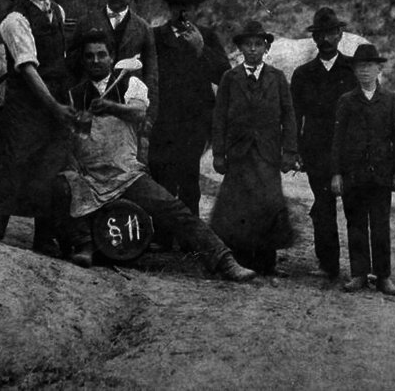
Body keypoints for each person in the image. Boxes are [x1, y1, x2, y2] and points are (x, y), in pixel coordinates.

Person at [51, 29, 255, 282]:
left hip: (125, 174)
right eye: (89, 56)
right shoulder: (72, 94)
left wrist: (112, 107)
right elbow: (66, 139)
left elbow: (138, 113)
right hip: (89, 177)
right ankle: (85, 245)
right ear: (83, 60)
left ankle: (224, 260)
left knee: (174, 209)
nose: (95, 61)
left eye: (101, 55)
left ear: (112, 57)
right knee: (59, 186)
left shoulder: (131, 84)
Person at [0, 0, 75, 252]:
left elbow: (60, 63)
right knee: (11, 161)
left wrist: (65, 102)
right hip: (25, 104)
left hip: (53, 101)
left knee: (50, 165)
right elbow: (28, 68)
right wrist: (53, 105)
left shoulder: (57, 12)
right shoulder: (14, 19)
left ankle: (44, 237)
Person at [210, 20, 298, 277]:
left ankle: (267, 262)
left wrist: (289, 152)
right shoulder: (230, 78)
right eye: (247, 45)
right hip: (238, 153)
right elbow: (219, 118)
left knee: (268, 205)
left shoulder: (277, 78)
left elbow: (289, 115)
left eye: (258, 44)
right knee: (238, 206)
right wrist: (218, 153)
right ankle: (238, 260)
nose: (253, 50)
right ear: (240, 49)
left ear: (266, 48)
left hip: (267, 153)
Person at [148, 0, 230, 222]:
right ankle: (163, 235)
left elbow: (224, 75)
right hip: (163, 120)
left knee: (188, 179)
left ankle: (189, 236)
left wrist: (201, 49)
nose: (183, 13)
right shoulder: (156, 37)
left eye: (189, 7)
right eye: (178, 7)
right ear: (170, 8)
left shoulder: (206, 36)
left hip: (194, 122)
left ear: (195, 9)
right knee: (162, 177)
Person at [330, 43, 395, 296]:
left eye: (369, 67)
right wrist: (337, 173)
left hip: (381, 174)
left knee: (380, 226)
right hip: (354, 175)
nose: (364, 72)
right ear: (354, 71)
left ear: (378, 69)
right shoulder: (347, 101)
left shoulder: (389, 100)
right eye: (360, 67)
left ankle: (383, 277)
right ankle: (359, 274)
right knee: (356, 224)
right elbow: (337, 140)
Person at [291, 7, 357, 281]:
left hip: (350, 151)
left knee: (354, 207)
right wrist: (295, 151)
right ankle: (328, 264)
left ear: (340, 34)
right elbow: (295, 116)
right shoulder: (303, 74)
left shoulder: (354, 70)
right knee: (323, 206)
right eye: (321, 34)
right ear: (314, 39)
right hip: (317, 150)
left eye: (331, 33)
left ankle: (360, 268)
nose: (326, 39)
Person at [67, 0, 157, 163]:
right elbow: (71, 69)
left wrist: (148, 122)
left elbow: (151, 75)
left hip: (128, 111)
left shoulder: (143, 28)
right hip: (91, 108)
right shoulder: (86, 23)